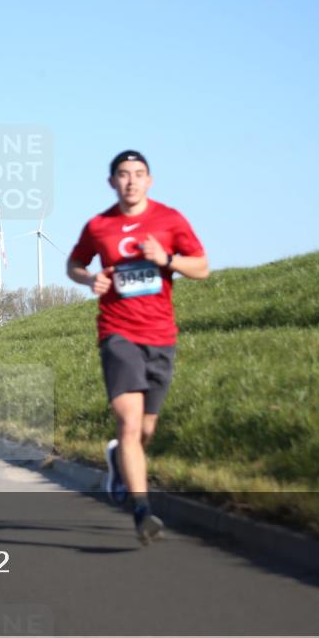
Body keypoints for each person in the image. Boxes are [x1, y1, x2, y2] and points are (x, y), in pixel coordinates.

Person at [66, 149, 209, 545]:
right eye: (123, 175)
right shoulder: (99, 226)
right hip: (117, 333)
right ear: (112, 181)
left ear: (150, 180)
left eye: (139, 174)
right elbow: (74, 263)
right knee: (129, 423)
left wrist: (169, 259)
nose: (131, 181)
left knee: (146, 429)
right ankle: (142, 511)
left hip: (161, 335)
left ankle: (118, 461)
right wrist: (87, 279)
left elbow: (202, 266)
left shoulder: (170, 220)